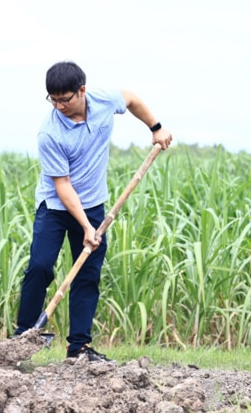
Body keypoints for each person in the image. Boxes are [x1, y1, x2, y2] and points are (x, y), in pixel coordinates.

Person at [13, 61, 173, 363]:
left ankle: (79, 348)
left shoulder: (102, 100)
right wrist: (86, 226)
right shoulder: (50, 133)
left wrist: (156, 127)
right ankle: (23, 336)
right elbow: (62, 186)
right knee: (41, 266)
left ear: (81, 91)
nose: (59, 105)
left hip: (94, 204)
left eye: (65, 98)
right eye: (53, 99)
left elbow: (132, 98)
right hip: (56, 206)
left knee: (87, 273)